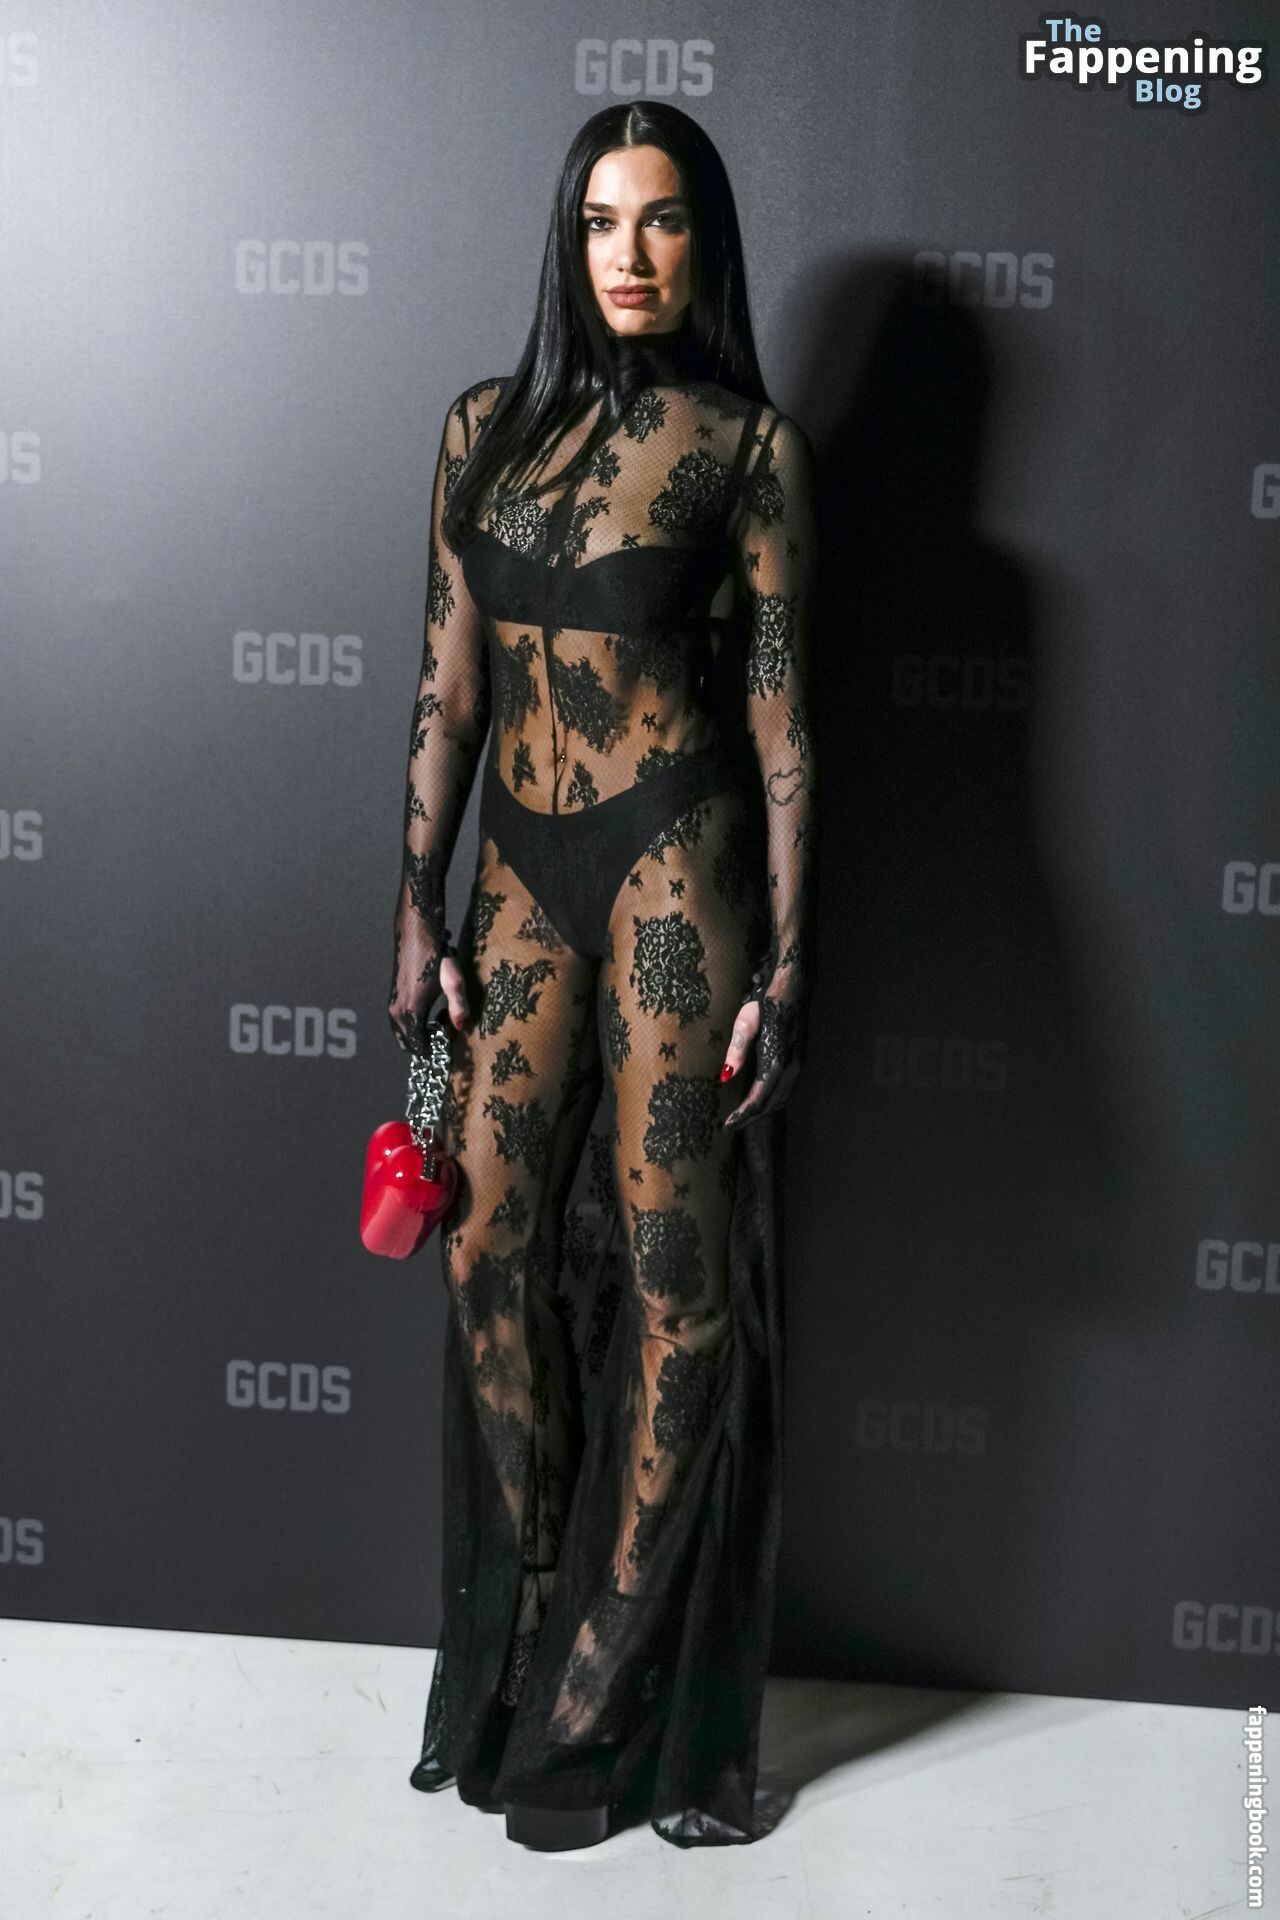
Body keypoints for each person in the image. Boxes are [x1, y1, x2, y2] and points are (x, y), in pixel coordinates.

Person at [387, 98, 818, 1850]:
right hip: (515, 868)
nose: (629, 255)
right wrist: (412, 909)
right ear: (566, 243)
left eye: (662, 220)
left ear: (705, 242)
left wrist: (786, 968)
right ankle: (529, 1627)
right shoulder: (479, 431)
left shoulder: (749, 448)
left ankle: (614, 1681)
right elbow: (446, 695)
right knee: (482, 1239)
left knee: (671, 1265)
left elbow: (783, 729)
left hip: (671, 868)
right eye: (599, 222)